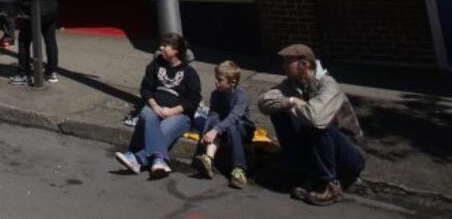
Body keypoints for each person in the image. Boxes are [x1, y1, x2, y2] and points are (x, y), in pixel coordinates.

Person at [258, 43, 366, 206]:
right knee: (279, 112)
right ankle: (304, 172)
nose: (284, 66)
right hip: (320, 149)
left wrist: (296, 106)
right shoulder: (291, 84)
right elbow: (263, 102)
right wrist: (292, 100)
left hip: (348, 154)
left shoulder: (328, 84)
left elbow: (316, 118)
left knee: (316, 124)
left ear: (305, 64)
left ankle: (330, 184)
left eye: (288, 62)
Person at [115, 32, 202, 178]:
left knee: (162, 128)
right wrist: (154, 106)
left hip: (179, 114)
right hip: (155, 107)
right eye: (161, 45)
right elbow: (146, 89)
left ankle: (138, 158)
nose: (161, 48)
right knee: (146, 115)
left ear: (176, 51)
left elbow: (193, 100)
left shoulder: (189, 73)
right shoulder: (155, 65)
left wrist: (172, 111)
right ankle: (159, 160)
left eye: (165, 46)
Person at [195, 60, 255, 188]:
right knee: (216, 119)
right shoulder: (216, 94)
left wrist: (215, 130)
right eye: (216, 78)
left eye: (220, 79)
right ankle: (208, 158)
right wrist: (206, 133)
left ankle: (239, 169)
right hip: (223, 129)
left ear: (232, 82)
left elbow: (235, 116)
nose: (216, 82)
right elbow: (212, 115)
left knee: (232, 125)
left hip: (242, 128)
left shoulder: (242, 95)